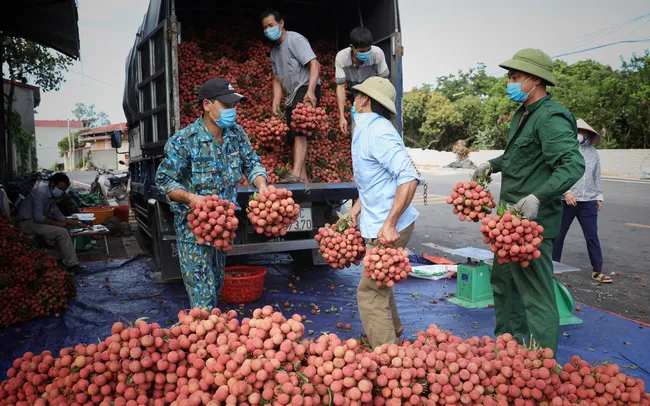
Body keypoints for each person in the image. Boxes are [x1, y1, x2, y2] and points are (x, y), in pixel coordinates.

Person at [472, 49, 585, 355]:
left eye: (515, 76)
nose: (510, 82)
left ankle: (541, 363)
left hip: (531, 226)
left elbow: (572, 165)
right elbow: (517, 157)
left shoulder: (550, 117)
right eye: (510, 76)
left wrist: (538, 197)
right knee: (505, 287)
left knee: (535, 294)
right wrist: (493, 164)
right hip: (507, 223)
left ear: (536, 80)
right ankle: (509, 352)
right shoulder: (524, 114)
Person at [155, 78, 269, 309]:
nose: (232, 111)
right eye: (226, 106)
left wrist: (262, 184)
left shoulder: (236, 134)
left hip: (224, 227)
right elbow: (164, 180)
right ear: (207, 105)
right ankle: (203, 330)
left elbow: (252, 163)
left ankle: (210, 328)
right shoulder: (184, 141)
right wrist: (190, 198)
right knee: (202, 292)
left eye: (234, 106)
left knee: (216, 284)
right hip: (193, 228)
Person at [348, 77, 422, 348]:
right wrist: (359, 202)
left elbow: (409, 176)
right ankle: (395, 327)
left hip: (389, 226)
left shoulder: (378, 132)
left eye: (355, 96)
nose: (352, 101)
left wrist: (390, 223)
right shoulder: (365, 129)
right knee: (380, 279)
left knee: (369, 291)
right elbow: (375, 175)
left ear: (364, 100)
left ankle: (386, 354)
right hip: (377, 220)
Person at [261, 8, 321, 183]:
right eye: (265, 28)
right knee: (292, 136)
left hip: (306, 87)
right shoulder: (274, 52)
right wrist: (275, 102)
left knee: (300, 130)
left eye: (271, 25)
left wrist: (310, 91)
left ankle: (296, 174)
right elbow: (277, 79)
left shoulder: (295, 40)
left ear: (281, 23)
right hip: (292, 94)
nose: (268, 30)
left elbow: (314, 64)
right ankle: (303, 178)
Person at [553, 119, 611, 283]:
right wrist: (566, 192)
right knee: (558, 235)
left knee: (592, 236)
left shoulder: (593, 153)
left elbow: (596, 175)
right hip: (568, 201)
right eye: (577, 131)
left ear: (588, 134)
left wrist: (599, 196)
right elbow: (559, 172)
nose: (580, 134)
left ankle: (597, 270)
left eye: (583, 132)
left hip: (589, 201)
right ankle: (553, 265)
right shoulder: (565, 151)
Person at [16, 172, 87, 274]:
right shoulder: (40, 193)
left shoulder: (53, 195)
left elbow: (57, 213)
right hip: (26, 224)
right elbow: (38, 218)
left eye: (64, 190)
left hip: (35, 223)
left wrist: (75, 223)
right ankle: (72, 265)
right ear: (52, 184)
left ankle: (62, 260)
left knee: (66, 230)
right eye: (60, 188)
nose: (62, 192)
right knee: (62, 232)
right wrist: (58, 224)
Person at [335, 27, 390, 135]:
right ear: (352, 47)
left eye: (368, 50)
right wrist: (341, 116)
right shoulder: (341, 58)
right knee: (358, 129)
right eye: (362, 51)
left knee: (375, 131)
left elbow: (385, 82)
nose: (366, 53)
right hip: (355, 96)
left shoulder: (377, 54)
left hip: (375, 96)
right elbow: (340, 87)